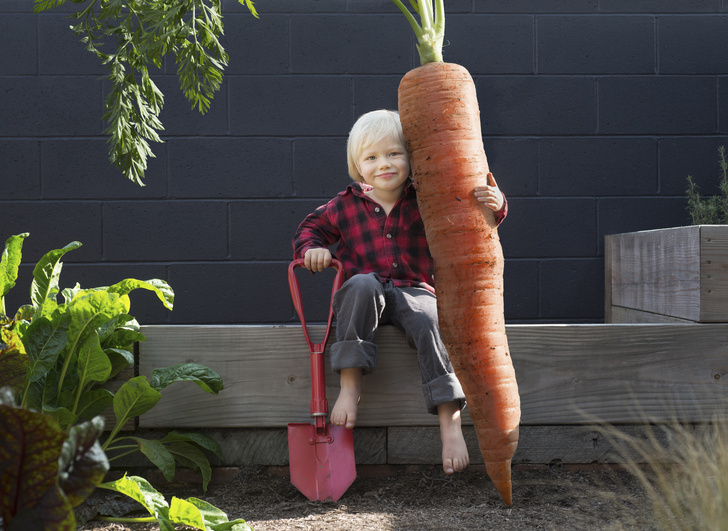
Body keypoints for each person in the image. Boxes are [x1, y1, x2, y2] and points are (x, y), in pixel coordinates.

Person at [292, 109, 507, 475]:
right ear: (358, 166)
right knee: (358, 285)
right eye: (372, 157)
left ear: (411, 157)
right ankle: (349, 386)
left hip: (414, 289)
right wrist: (313, 250)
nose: (384, 164)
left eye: (394, 154)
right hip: (367, 293)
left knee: (431, 319)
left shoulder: (428, 197)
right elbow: (307, 231)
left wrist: (495, 202)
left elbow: (471, 219)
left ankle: (450, 423)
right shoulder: (344, 205)